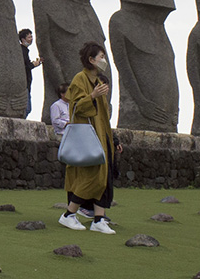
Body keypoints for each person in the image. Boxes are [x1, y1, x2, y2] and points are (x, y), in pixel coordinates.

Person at [58, 41, 122, 234]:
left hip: (103, 136)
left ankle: (99, 219)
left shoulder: (100, 82)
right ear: (91, 59)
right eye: (100, 57)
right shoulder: (79, 79)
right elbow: (76, 107)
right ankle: (69, 214)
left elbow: (105, 115)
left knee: (104, 176)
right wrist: (92, 96)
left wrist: (114, 139)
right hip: (87, 138)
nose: (104, 60)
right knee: (92, 176)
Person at [19, 28, 43, 116]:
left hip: (27, 83)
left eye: (31, 36)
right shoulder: (22, 50)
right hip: (24, 83)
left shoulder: (24, 50)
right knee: (27, 108)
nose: (31, 39)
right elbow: (24, 67)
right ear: (23, 39)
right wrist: (33, 65)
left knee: (28, 108)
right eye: (29, 37)